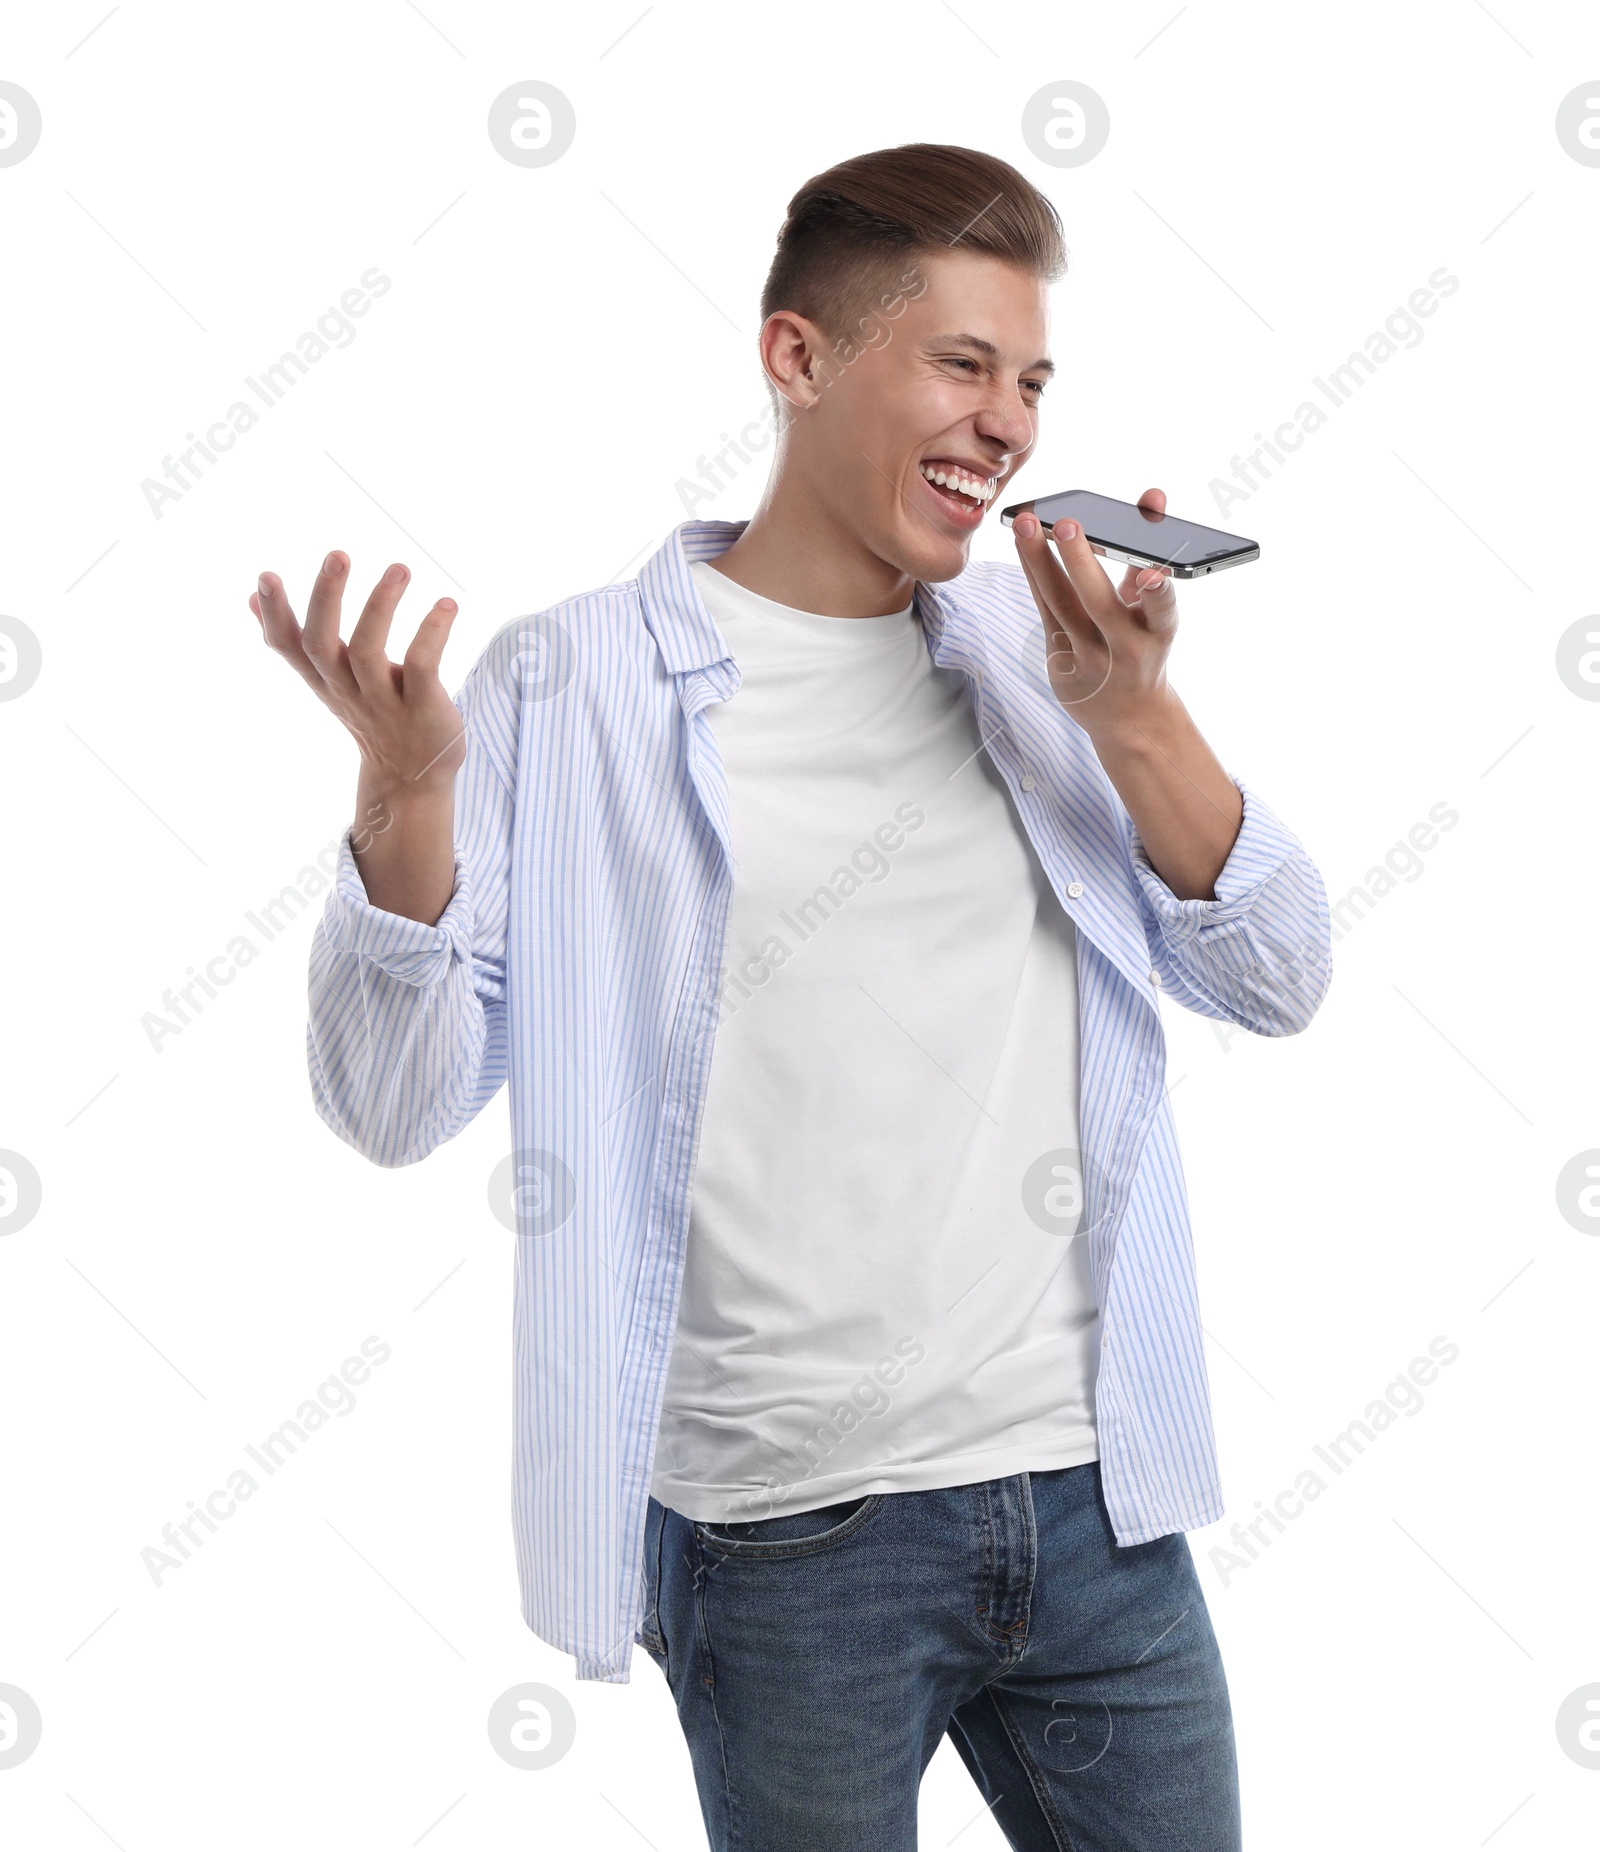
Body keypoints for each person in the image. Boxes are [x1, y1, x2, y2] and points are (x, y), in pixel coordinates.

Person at [252, 142, 1331, 1852]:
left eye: (1033, 379)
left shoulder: (1038, 663)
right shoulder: (573, 678)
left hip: (1096, 1507)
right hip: (787, 1538)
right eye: (963, 363)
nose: (1010, 423)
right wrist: (406, 799)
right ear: (799, 359)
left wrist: (1132, 716)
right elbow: (393, 1105)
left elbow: (1276, 979)